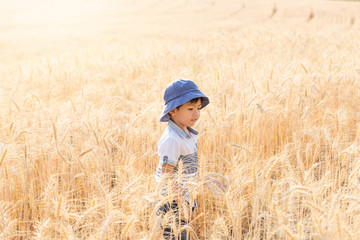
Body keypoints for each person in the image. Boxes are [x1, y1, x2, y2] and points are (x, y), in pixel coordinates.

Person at [155, 79, 210, 240]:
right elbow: (167, 174)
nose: (196, 113)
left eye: (199, 108)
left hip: (184, 198)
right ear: (172, 111)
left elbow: (188, 168)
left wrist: (204, 182)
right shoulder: (172, 139)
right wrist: (181, 203)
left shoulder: (188, 133)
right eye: (190, 108)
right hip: (171, 202)